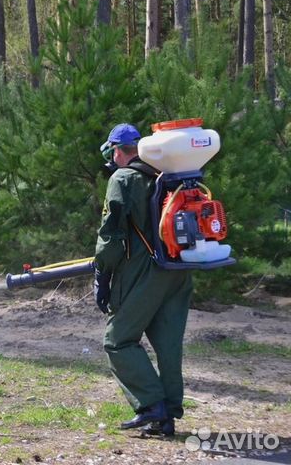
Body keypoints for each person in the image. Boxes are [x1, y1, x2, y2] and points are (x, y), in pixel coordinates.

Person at [93, 123, 193, 437]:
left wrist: (102, 273)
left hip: (144, 273)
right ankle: (167, 415)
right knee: (168, 344)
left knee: (118, 340)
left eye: (111, 152)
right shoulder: (167, 174)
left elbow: (110, 235)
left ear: (116, 151)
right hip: (177, 271)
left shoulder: (123, 178)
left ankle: (152, 406)